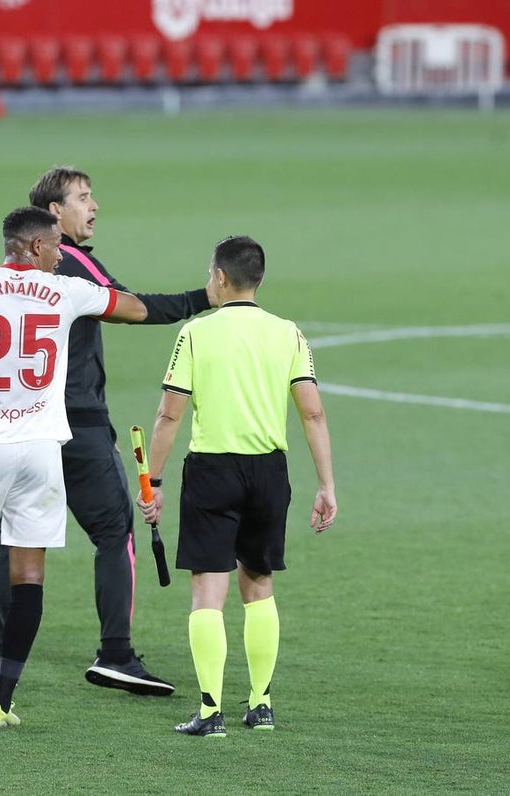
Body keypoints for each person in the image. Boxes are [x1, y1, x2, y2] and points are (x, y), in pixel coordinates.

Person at [0, 166, 214, 697]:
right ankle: (116, 655)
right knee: (116, 533)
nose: (95, 205)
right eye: (83, 197)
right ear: (54, 215)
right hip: (77, 425)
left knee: (9, 542)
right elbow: (135, 309)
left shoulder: (5, 275)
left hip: (21, 425)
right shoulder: (73, 261)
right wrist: (205, 299)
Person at [0, 206, 147, 728]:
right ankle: (3, 703)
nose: (60, 258)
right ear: (31, 246)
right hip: (42, 452)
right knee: (30, 576)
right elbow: (135, 310)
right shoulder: (66, 291)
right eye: (54, 248)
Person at [136, 235, 337, 737]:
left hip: (213, 471)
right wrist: (326, 485)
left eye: (210, 275)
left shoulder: (196, 334)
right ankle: (261, 704)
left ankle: (209, 712)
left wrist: (153, 482)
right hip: (270, 472)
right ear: (260, 279)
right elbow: (312, 411)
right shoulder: (288, 333)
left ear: (222, 278)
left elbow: (168, 413)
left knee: (208, 589)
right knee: (260, 585)